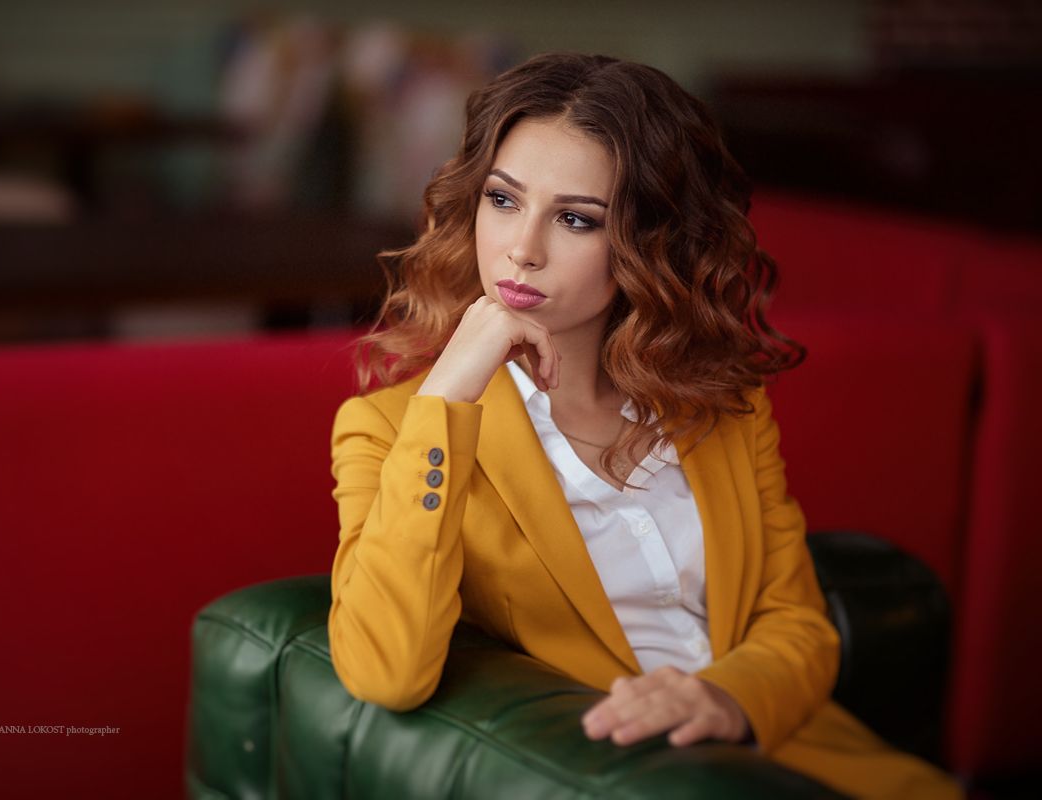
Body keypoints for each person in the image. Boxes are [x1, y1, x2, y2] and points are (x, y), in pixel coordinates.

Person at [327, 52, 961, 799]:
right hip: (628, 780)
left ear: (651, 240)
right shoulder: (391, 431)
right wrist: (448, 394)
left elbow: (799, 626)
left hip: (797, 761)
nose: (523, 248)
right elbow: (385, 670)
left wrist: (727, 698)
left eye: (575, 218)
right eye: (502, 200)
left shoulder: (722, 406)